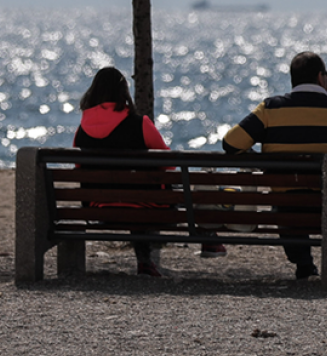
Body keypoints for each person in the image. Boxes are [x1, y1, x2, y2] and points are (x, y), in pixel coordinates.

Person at [221, 51, 327, 280]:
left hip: (289, 210)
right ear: (320, 77)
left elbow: (230, 144)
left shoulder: (270, 109)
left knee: (286, 202)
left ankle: (304, 264)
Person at [73, 67, 225, 275]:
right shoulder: (140, 124)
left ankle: (148, 261)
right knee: (183, 191)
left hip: (98, 205)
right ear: (123, 92)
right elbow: (169, 165)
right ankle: (208, 238)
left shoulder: (82, 129)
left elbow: (78, 169)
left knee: (131, 196)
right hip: (147, 204)